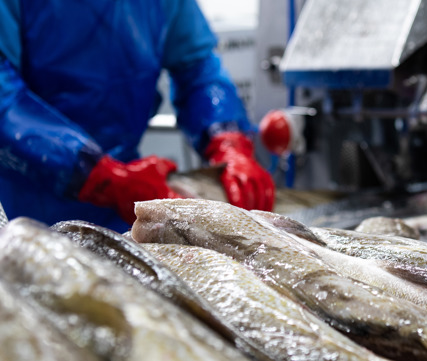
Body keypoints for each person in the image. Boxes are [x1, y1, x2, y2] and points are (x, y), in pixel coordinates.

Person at [0, 0, 275, 232]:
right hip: (23, 206)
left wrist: (228, 141)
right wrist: (99, 175)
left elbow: (197, 68)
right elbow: (4, 101)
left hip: (132, 199)